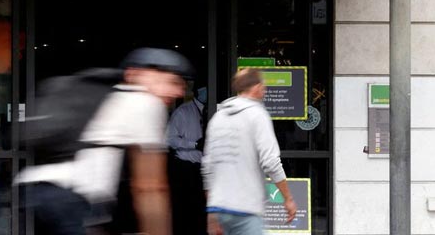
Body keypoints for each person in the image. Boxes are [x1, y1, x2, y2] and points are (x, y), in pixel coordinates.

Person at [16, 47, 193, 235]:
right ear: (135, 74)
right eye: (171, 82)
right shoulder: (145, 103)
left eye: (181, 84)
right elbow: (150, 186)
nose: (178, 91)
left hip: (32, 191)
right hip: (73, 200)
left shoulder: (105, 96)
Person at [202, 68, 297, 235]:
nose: (265, 89)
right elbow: (270, 162)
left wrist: (212, 208)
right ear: (256, 87)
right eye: (263, 85)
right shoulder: (257, 115)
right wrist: (288, 199)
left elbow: (208, 166)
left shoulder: (218, 118)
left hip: (219, 208)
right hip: (245, 207)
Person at [166, 86, 208, 235]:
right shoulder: (183, 112)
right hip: (186, 170)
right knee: (186, 214)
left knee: (202, 214)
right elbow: (170, 139)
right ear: (197, 91)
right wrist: (195, 144)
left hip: (206, 169)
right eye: (204, 89)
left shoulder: (214, 110)